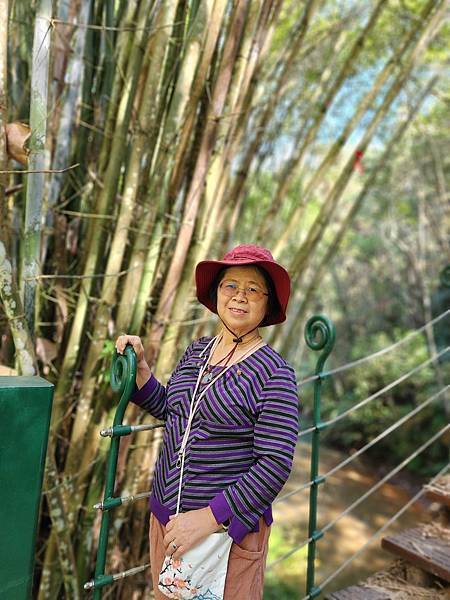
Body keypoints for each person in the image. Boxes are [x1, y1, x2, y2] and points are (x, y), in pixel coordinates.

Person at [115, 244, 300, 599]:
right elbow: (175, 410)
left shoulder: (275, 374)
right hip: (168, 520)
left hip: (225, 533)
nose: (239, 297)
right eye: (231, 285)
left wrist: (210, 517)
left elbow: (274, 464)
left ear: (267, 302)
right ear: (216, 295)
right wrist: (140, 371)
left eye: (252, 289)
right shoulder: (197, 351)